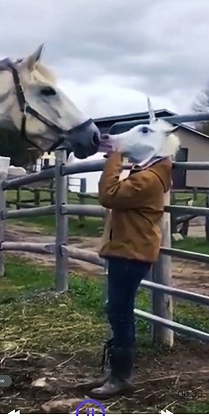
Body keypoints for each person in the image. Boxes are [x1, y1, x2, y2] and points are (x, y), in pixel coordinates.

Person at [87, 149, 173, 398]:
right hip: (128, 250)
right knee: (118, 310)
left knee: (120, 312)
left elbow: (108, 194)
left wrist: (115, 159)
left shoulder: (146, 179)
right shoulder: (149, 175)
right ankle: (117, 373)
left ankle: (120, 378)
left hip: (130, 253)